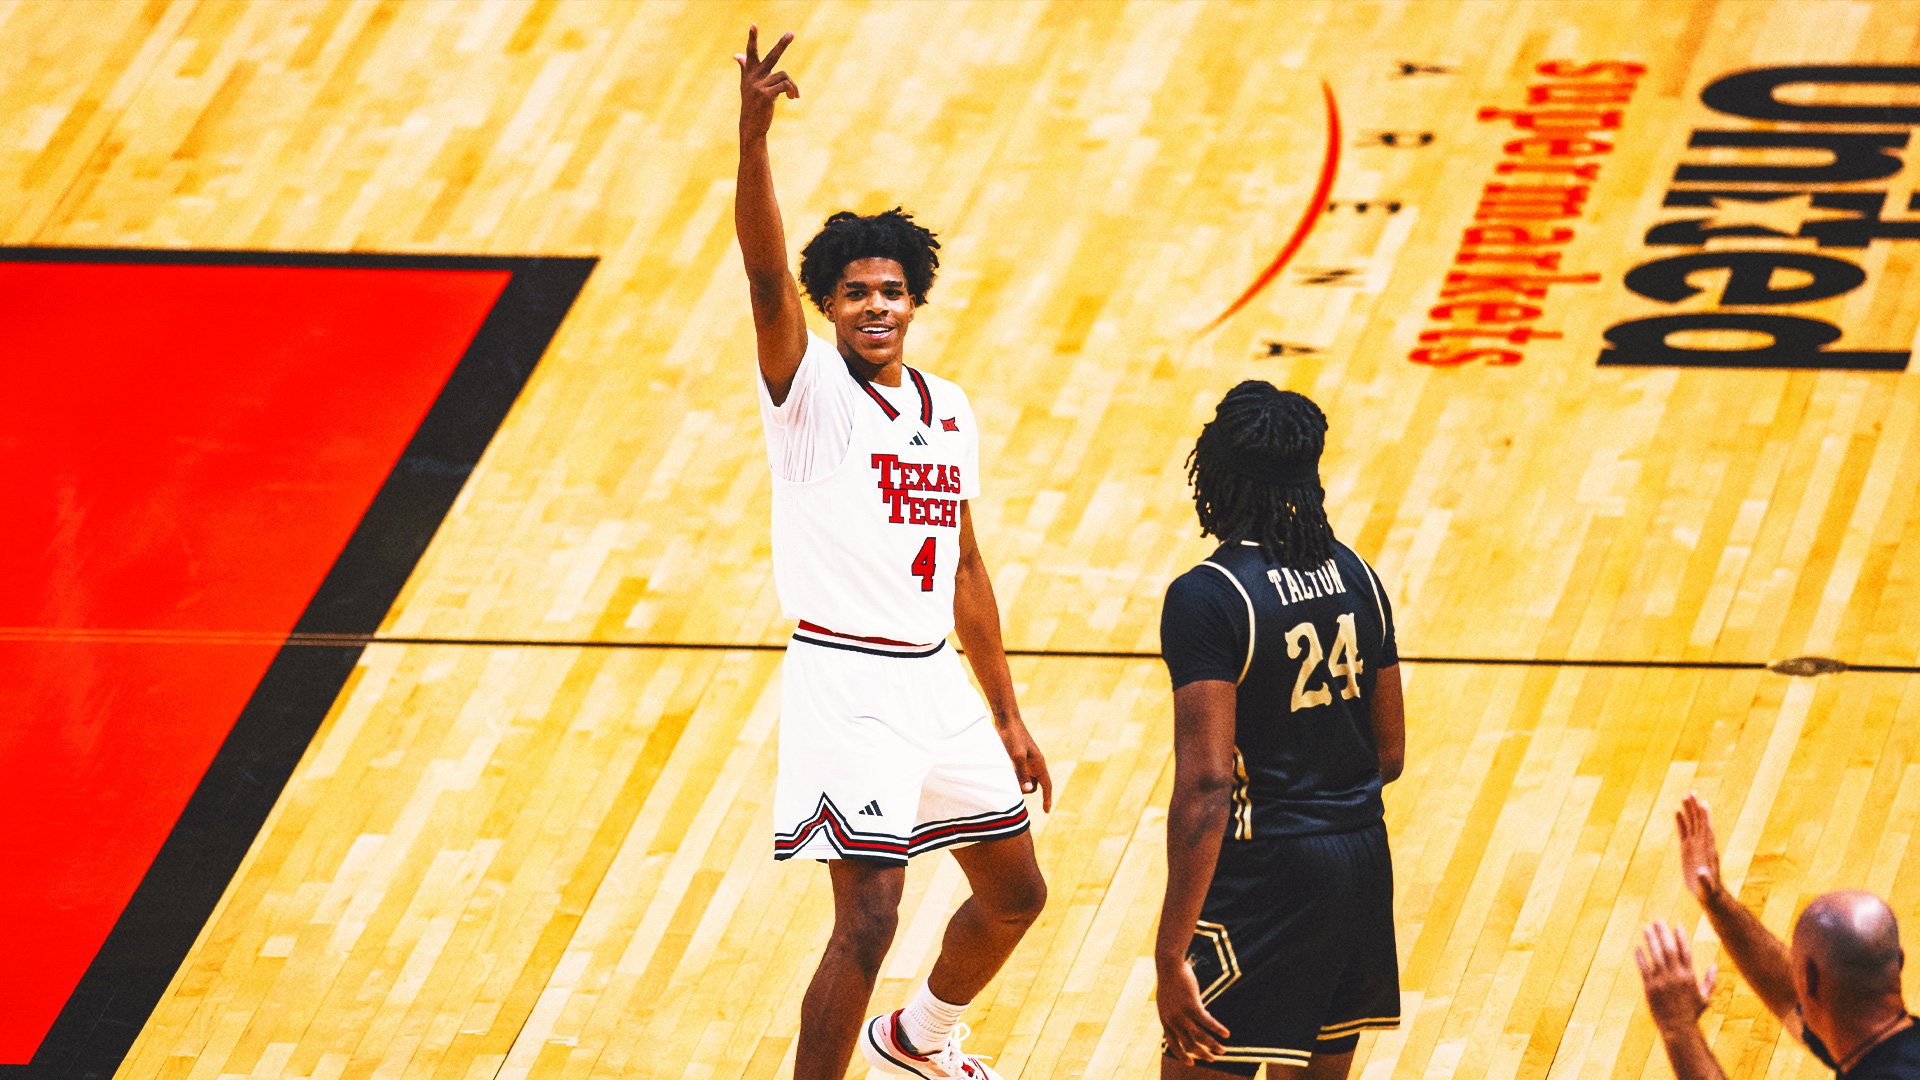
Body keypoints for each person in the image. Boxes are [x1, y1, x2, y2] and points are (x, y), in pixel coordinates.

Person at [732, 26, 1051, 1080]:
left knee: (1017, 895)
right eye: (857, 292)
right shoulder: (809, 393)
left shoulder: (947, 407)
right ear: (828, 306)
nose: (877, 305)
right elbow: (764, 274)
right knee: (868, 921)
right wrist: (753, 136)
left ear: (914, 300)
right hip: (847, 684)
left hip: (934, 680)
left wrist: (1005, 711)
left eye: (892, 290)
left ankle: (919, 1037)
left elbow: (966, 566)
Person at [1154, 381, 1407, 1080]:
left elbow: (1207, 785)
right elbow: (1389, 753)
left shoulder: (1209, 595)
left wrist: (1170, 953)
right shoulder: (1359, 575)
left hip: (1265, 871)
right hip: (1361, 862)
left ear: (1217, 474)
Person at [1637, 795, 1920, 1080]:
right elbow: (1791, 999)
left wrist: (1678, 1027)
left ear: (1808, 980)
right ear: (1898, 961)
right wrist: (1716, 898)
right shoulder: (1887, 1046)